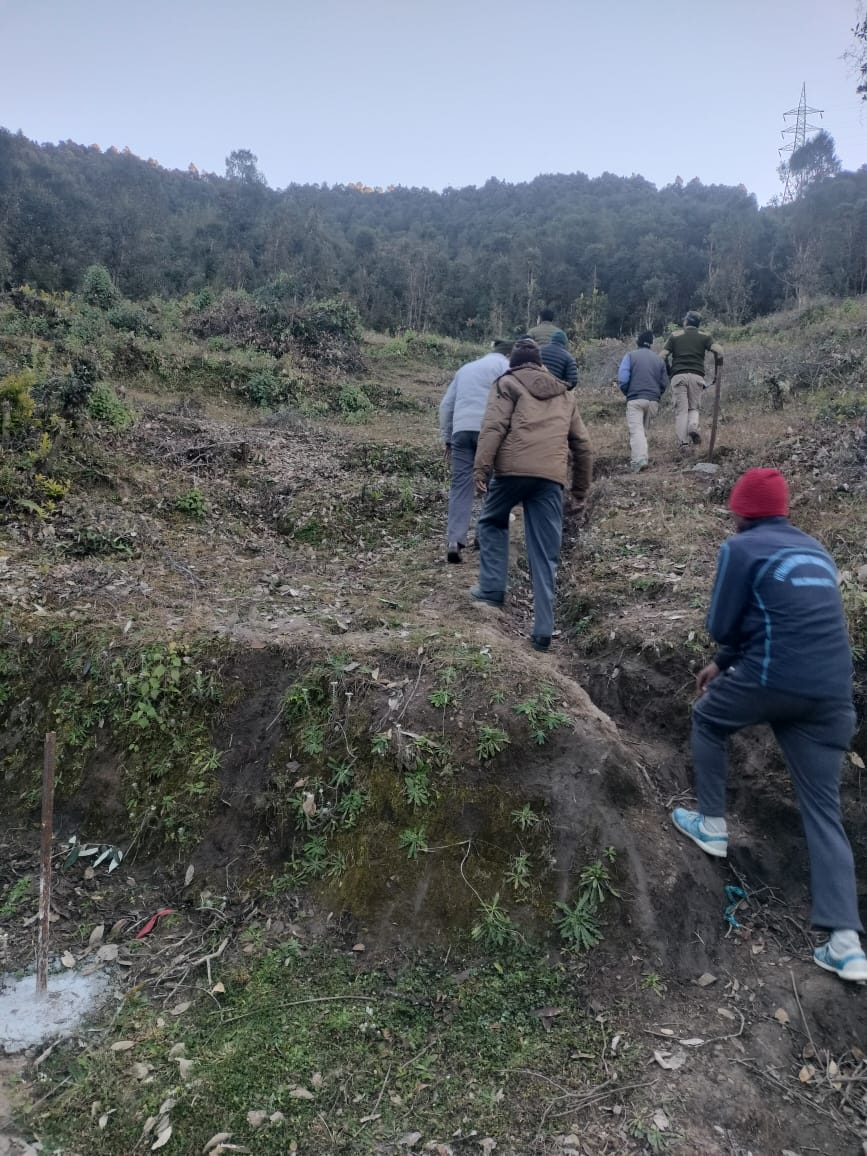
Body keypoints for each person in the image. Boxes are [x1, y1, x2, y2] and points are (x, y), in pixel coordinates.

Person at [671, 468, 867, 982]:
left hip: (773, 674)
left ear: (740, 510)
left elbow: (721, 621)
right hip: (830, 696)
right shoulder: (817, 551)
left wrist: (724, 654)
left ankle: (711, 824)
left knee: (708, 719)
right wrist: (725, 660)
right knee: (824, 810)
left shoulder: (741, 549)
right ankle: (845, 944)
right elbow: (785, 616)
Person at [470, 338, 593, 653]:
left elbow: (493, 427)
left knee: (491, 521)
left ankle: (492, 589)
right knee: (545, 554)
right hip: (550, 477)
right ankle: (543, 632)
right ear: (541, 364)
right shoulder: (565, 394)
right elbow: (582, 444)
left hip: (512, 471)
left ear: (513, 363)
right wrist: (579, 491)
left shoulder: (507, 382)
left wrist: (481, 471)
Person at [439, 340, 513, 563]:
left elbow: (446, 406)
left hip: (461, 431)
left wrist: (447, 438)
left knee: (460, 485)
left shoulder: (466, 369)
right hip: (490, 432)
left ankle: (455, 541)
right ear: (509, 355)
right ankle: (483, 536)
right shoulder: (505, 369)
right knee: (493, 484)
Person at [662, 311, 722, 450]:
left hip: (678, 377)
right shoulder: (705, 336)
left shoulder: (675, 336)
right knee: (693, 407)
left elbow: (662, 355)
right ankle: (692, 427)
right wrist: (717, 369)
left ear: (686, 322)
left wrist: (668, 369)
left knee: (681, 410)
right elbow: (719, 351)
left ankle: (684, 444)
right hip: (697, 377)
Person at [617, 330, 668, 471]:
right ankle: (642, 458)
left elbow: (623, 379)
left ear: (638, 342)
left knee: (636, 431)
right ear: (651, 344)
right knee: (643, 431)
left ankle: (639, 461)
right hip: (653, 400)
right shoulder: (659, 360)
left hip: (635, 399)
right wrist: (657, 395)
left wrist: (628, 393)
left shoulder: (630, 356)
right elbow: (664, 382)